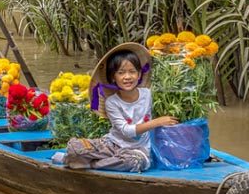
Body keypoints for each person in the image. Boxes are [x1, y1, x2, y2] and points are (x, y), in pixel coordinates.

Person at [56, 42, 177, 172]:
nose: (127, 77)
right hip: (112, 145)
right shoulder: (112, 102)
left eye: (132, 72)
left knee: (135, 162)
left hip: (138, 150)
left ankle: (91, 164)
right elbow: (126, 131)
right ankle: (97, 160)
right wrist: (156, 122)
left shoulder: (148, 95)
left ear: (139, 74)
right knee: (75, 147)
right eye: (121, 72)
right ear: (113, 77)